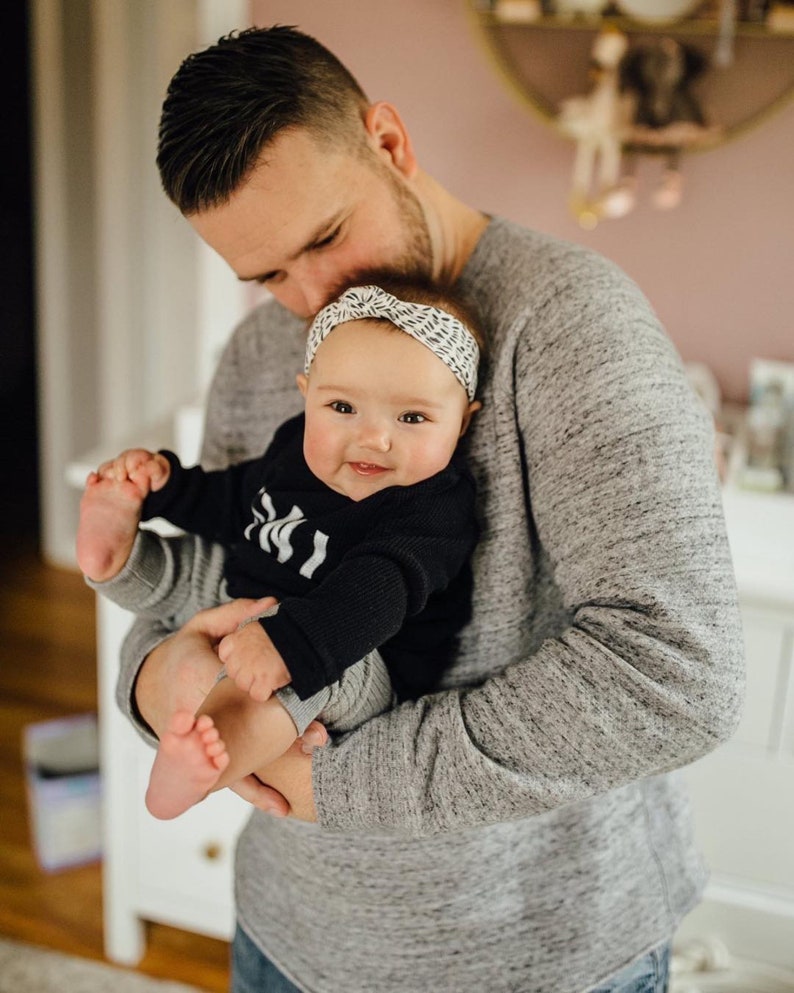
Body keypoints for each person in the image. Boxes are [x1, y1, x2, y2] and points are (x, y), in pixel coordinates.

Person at [113, 24, 744, 993]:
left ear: (390, 142)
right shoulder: (259, 357)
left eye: (323, 238)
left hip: (539, 961)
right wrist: (161, 680)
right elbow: (211, 575)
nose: (314, 296)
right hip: (286, 935)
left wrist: (338, 785)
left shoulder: (571, 325)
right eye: (269, 275)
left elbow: (673, 671)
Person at [78, 278, 482, 821]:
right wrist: (167, 489)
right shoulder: (297, 445)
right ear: (305, 393)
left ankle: (203, 754)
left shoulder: (434, 505)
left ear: (464, 422)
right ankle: (116, 557)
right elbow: (239, 498)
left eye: (412, 418)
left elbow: (384, 585)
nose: (373, 438)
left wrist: (293, 642)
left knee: (300, 679)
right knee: (193, 560)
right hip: (244, 596)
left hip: (357, 653)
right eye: (342, 406)